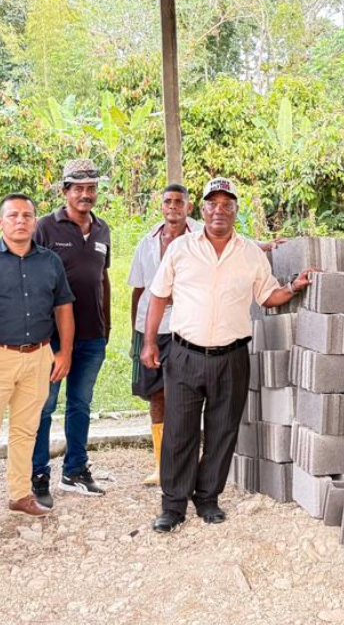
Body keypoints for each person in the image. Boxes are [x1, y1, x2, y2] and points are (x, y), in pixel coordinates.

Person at [140, 177, 314, 532]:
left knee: (222, 430)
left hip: (232, 357)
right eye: (213, 204)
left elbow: (267, 296)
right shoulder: (181, 249)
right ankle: (173, 506)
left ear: (235, 211)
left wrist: (293, 287)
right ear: (202, 209)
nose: (219, 210)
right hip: (185, 354)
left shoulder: (250, 253)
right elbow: (158, 296)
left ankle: (207, 498)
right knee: (179, 431)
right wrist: (150, 342)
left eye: (227, 205)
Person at [0, 194, 75, 533]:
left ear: (35, 221)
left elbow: (63, 308)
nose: (20, 221)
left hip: (38, 356)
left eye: (27, 215)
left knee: (26, 429)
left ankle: (20, 494)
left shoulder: (50, 261)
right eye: (13, 215)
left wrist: (64, 352)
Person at [31, 159, 111, 505]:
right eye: (78, 188)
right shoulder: (45, 228)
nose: (85, 194)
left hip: (91, 335)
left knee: (81, 404)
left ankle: (75, 470)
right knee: (43, 406)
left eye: (91, 188)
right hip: (51, 338)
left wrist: (107, 324)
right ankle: (38, 476)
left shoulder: (103, 230)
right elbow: (29, 278)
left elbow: (103, 278)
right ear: (65, 191)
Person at [128, 184, 200, 486]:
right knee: (156, 395)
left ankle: (181, 464)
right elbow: (138, 291)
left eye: (179, 202)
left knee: (180, 395)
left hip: (185, 327)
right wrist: (137, 335)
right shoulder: (147, 242)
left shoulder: (201, 238)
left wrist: (266, 245)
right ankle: (161, 465)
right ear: (161, 206)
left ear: (189, 207)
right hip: (151, 329)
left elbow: (236, 242)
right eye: (168, 201)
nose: (173, 206)